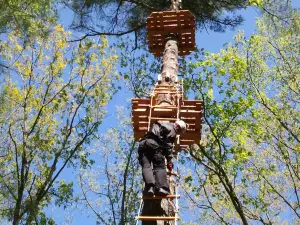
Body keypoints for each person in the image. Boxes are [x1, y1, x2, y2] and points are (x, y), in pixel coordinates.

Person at [138, 120, 187, 196]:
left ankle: (150, 188)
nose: (177, 133)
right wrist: (169, 160)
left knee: (146, 166)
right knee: (159, 166)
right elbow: (168, 145)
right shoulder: (172, 129)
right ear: (178, 127)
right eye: (179, 131)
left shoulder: (162, 124)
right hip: (153, 144)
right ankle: (161, 188)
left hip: (143, 144)